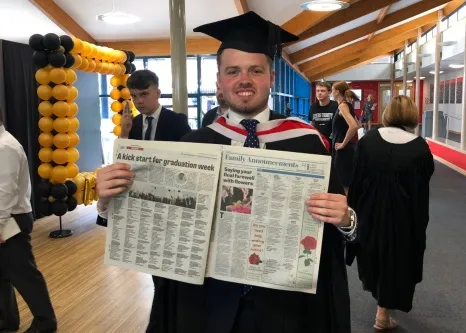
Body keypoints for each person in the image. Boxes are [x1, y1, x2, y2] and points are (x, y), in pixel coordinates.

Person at [95, 11, 357, 333]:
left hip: (286, 307)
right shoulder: (193, 146)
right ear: (219, 81)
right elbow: (157, 228)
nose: (244, 80)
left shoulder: (307, 144)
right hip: (207, 305)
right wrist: (110, 203)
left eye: (255, 70)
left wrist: (347, 221)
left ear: (271, 78)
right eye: (233, 71)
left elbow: (336, 235)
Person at [97, 69, 191, 332]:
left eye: (144, 94)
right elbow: (122, 164)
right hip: (141, 205)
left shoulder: (177, 121)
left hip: (171, 203)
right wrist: (125, 135)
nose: (139, 101)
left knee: (170, 270)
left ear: (158, 93)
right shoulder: (133, 125)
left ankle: (166, 319)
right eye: (135, 96)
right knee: (153, 265)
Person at [346, 96, 435, 331]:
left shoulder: (369, 141)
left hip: (368, 213)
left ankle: (381, 310)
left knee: (373, 257)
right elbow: (423, 184)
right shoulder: (419, 147)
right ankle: (383, 313)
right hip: (403, 217)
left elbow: (356, 181)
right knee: (395, 261)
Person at [0, 108, 57, 333]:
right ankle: (7, 319)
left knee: (23, 273)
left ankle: (45, 322)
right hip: (6, 217)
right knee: (2, 273)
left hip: (11, 219)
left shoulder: (5, 146)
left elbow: (5, 191)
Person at [331, 81, 360, 192]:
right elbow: (358, 124)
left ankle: (346, 208)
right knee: (344, 184)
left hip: (343, 150)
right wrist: (337, 132)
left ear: (337, 91)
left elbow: (353, 126)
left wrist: (343, 143)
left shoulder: (343, 106)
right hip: (345, 149)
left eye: (332, 90)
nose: (332, 92)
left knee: (343, 186)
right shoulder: (347, 105)